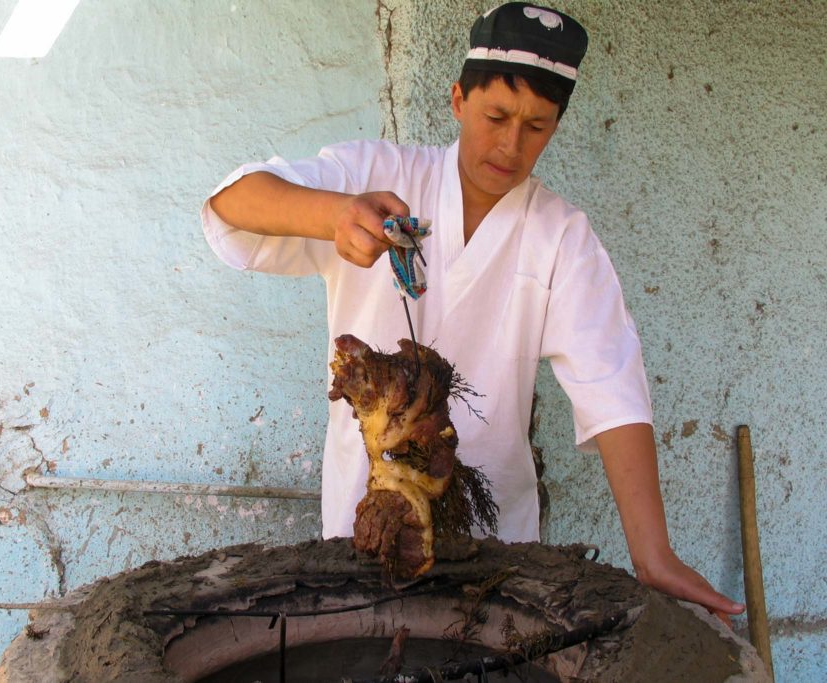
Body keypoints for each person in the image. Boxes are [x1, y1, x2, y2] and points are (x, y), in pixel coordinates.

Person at [201, 2, 744, 621]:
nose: (511, 145)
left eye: (537, 126)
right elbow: (231, 204)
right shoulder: (380, 174)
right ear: (458, 99)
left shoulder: (559, 236)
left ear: (557, 126)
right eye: (496, 116)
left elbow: (611, 384)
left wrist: (654, 555)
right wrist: (334, 215)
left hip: (493, 542)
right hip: (366, 524)